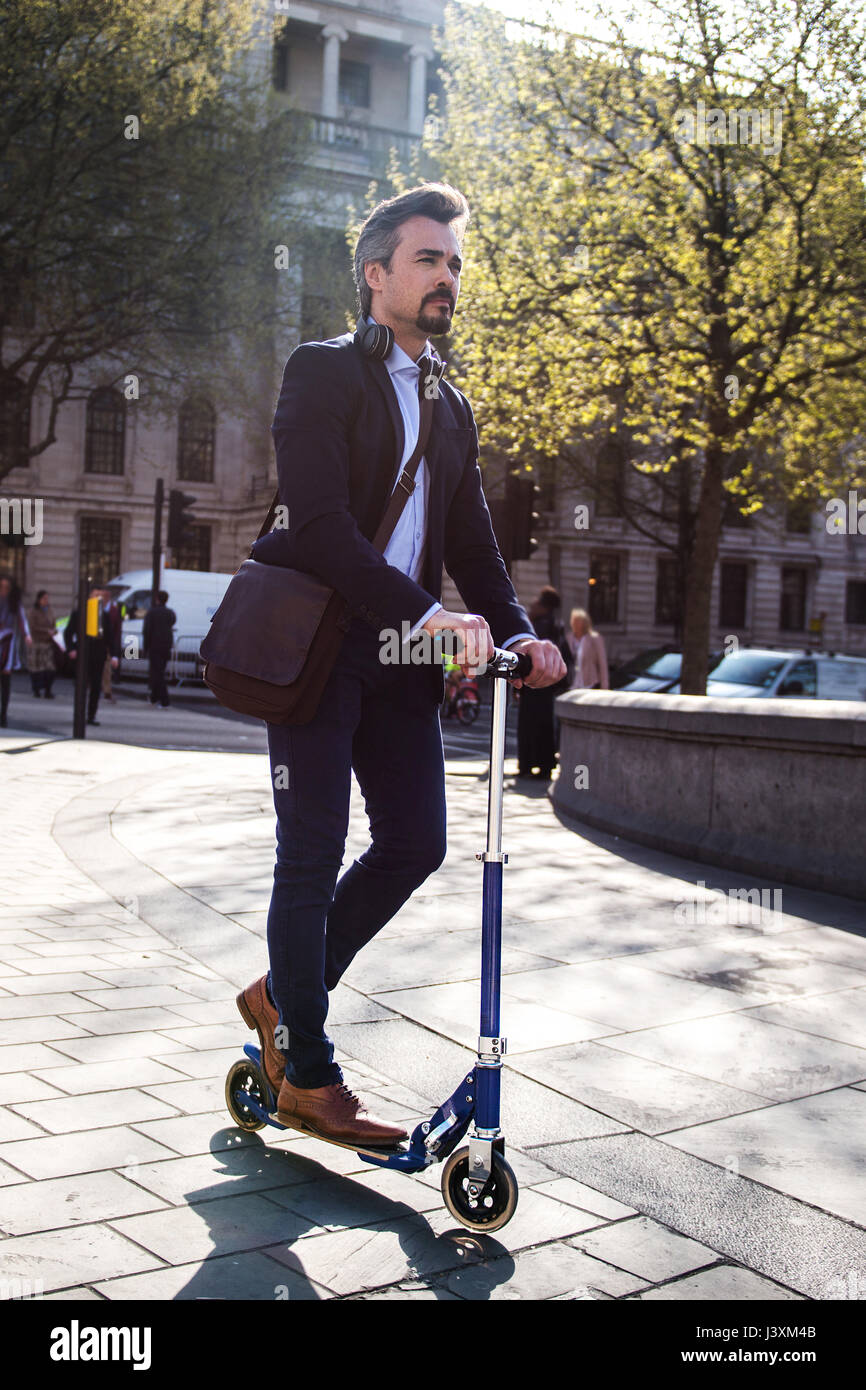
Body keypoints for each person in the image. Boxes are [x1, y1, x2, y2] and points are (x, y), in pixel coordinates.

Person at [235, 182, 566, 1149]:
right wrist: (428, 613)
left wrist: (520, 634)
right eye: (428, 260)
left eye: (455, 263)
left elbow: (475, 542)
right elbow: (322, 524)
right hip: (316, 648)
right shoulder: (322, 372)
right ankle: (308, 1069)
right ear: (375, 274)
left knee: (416, 841)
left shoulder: (451, 407)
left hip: (399, 659)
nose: (446, 277)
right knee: (312, 852)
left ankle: (281, 994)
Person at [515, 585, 571, 780]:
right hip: (547, 686)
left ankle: (528, 764)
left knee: (531, 725)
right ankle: (543, 765)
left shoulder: (538, 627)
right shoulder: (557, 626)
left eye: (538, 600)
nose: (533, 603)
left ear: (545, 606)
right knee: (544, 726)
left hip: (534, 683)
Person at [65, 586, 120, 725]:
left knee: (96, 686)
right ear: (89, 597)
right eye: (95, 595)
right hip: (83, 654)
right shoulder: (79, 613)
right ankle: (79, 714)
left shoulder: (104, 616)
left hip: (98, 655)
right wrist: (71, 649)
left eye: (100, 596)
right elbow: (68, 632)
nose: (98, 599)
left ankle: (91, 715)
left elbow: (110, 637)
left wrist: (114, 655)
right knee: (81, 685)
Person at [0, 575, 32, 728]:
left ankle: (3, 714)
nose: (4, 590)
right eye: (1, 586)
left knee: (6, 680)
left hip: (7, 643)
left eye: (6, 587)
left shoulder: (14, 604)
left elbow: (22, 620)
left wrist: (27, 635)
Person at [142, 590, 176, 708]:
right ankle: (154, 698)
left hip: (154, 645)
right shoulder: (170, 613)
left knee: (158, 673)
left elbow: (147, 630)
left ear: (157, 599)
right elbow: (172, 622)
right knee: (159, 671)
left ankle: (164, 700)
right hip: (166, 646)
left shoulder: (152, 612)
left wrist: (145, 647)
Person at [567, 607, 609, 690]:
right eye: (573, 620)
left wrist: (604, 686)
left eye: (577, 621)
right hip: (573, 683)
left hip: (589, 682)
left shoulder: (595, 638)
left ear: (584, 623)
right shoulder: (569, 637)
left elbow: (602, 663)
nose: (574, 623)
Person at [28, 590, 58, 698]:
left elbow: (54, 623)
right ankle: (36, 690)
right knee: (36, 668)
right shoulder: (33, 611)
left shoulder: (50, 610)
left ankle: (48, 690)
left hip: (48, 643)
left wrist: (54, 631)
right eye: (44, 598)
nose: (46, 600)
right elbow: (32, 627)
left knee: (50, 668)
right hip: (37, 643)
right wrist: (46, 631)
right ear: (39, 599)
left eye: (47, 598)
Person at [101, 592, 123, 700]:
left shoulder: (114, 610)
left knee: (107, 669)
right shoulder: (98, 608)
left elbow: (117, 629)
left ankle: (107, 690)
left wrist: (115, 649)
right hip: (100, 642)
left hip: (108, 643)